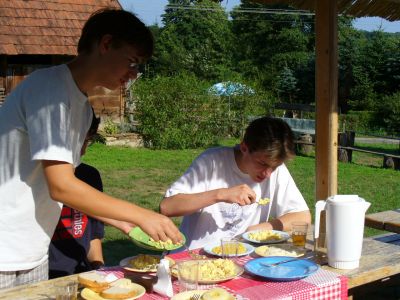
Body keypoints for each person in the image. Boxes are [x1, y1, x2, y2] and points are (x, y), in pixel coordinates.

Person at [0, 9, 181, 289]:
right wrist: (140, 214)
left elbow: (69, 190)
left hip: (32, 253)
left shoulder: (82, 107)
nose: (133, 74)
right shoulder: (50, 89)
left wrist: (121, 222)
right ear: (105, 44)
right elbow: (61, 186)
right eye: (132, 62)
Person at [160, 116, 311, 250]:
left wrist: (265, 228)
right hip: (194, 258)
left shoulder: (274, 168)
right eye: (262, 164)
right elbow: (167, 207)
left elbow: (302, 216)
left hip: (239, 261)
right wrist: (221, 194)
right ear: (244, 147)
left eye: (275, 167)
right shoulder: (211, 161)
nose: (268, 174)